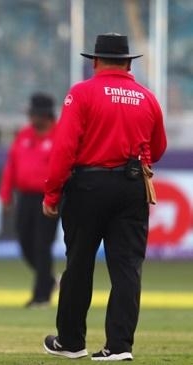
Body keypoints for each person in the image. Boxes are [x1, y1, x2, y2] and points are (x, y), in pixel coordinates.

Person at [42, 33, 167, 361]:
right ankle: (119, 346)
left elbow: (65, 147)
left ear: (95, 61)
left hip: (88, 186)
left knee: (79, 265)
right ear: (128, 63)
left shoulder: (82, 93)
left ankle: (71, 342)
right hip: (132, 187)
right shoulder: (147, 97)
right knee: (127, 268)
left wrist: (52, 191)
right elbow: (159, 148)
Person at [0, 92, 59, 308]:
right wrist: (6, 194)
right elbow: (11, 167)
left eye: (35, 114)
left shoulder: (59, 135)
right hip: (25, 197)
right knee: (25, 243)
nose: (31, 118)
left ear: (46, 115)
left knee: (43, 245)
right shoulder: (24, 135)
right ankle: (49, 279)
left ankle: (41, 296)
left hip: (49, 197)